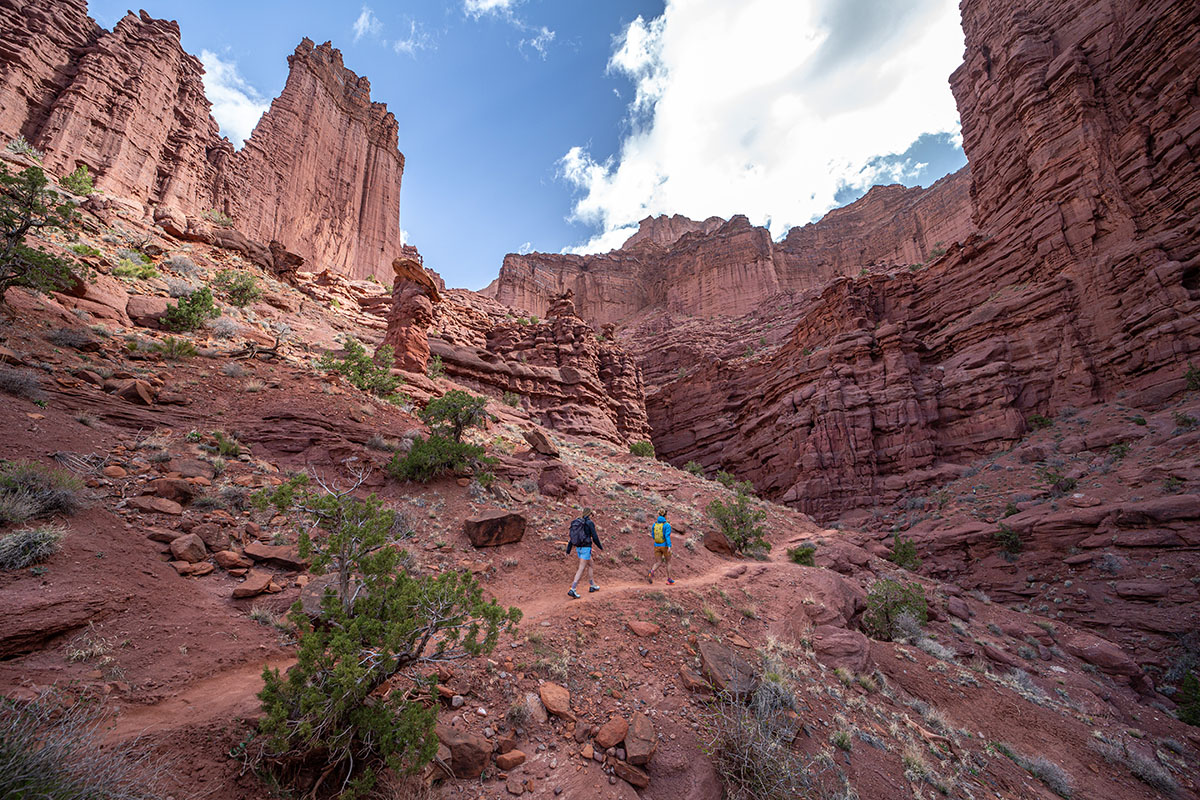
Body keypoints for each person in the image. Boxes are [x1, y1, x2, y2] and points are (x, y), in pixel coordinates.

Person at [566, 508, 603, 599]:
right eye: (592, 515)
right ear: (590, 514)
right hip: (586, 548)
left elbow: (572, 537)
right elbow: (594, 537)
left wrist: (568, 550)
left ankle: (592, 585)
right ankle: (573, 589)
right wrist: (600, 547)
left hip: (579, 548)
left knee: (591, 564)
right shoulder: (589, 523)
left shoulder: (579, 522)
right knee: (581, 568)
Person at [647, 508, 673, 585]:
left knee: (658, 562)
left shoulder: (655, 524)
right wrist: (669, 546)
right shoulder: (667, 525)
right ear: (665, 516)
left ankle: (651, 572)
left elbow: (653, 535)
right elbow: (667, 536)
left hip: (656, 545)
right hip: (664, 546)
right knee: (668, 562)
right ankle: (669, 580)